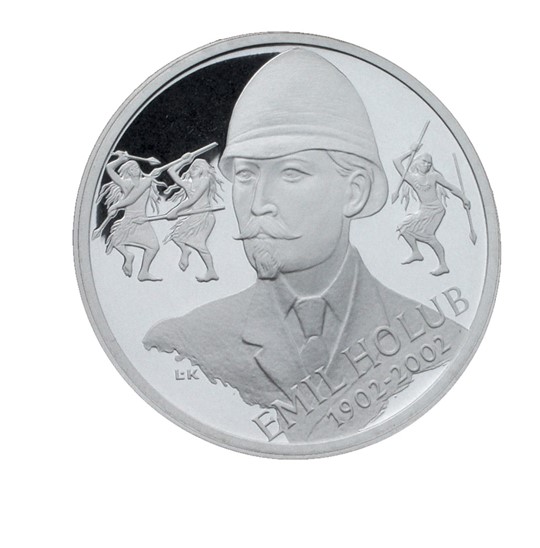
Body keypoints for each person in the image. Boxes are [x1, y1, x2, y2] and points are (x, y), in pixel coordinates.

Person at [143, 49, 467, 442]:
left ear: (354, 192)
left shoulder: (442, 340)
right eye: (245, 175)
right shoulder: (184, 344)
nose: (258, 203)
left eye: (291, 173)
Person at [137, 155, 222, 282]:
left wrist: (175, 210)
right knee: (176, 236)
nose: (193, 168)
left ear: (203, 169)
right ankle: (185, 251)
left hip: (204, 217)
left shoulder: (205, 180)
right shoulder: (188, 184)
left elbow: (193, 199)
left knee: (199, 244)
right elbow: (171, 171)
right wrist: (183, 160)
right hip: (194, 215)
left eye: (197, 166)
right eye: (192, 166)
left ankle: (211, 272)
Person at [394, 147, 471, 276]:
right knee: (404, 228)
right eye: (424, 161)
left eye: (429, 163)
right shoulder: (411, 178)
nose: (427, 165)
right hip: (424, 210)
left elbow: (450, 187)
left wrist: (464, 198)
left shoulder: (434, 176)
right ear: (417, 162)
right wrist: (411, 151)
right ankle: (416, 253)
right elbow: (396, 161)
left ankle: (443, 265)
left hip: (436, 210)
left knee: (429, 236)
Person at [93, 152, 165, 281]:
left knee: (154, 247)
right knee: (116, 241)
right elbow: (109, 168)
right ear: (128, 172)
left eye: (137, 167)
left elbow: (133, 197)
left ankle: (143, 272)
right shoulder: (126, 183)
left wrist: (116, 206)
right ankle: (128, 256)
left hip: (141, 220)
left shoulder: (146, 182)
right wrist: (120, 160)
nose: (135, 170)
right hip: (129, 219)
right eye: (132, 169)